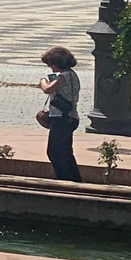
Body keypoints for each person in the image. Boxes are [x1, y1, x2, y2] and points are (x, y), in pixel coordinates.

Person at [39, 45, 82, 182]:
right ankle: (75, 180)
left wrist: (43, 81)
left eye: (51, 64)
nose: (51, 68)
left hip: (62, 118)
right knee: (66, 152)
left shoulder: (64, 76)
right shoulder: (72, 75)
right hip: (70, 117)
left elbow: (48, 89)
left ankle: (64, 180)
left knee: (54, 152)